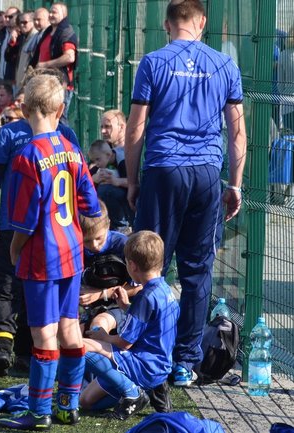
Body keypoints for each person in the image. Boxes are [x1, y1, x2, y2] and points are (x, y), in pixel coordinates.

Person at [125, 0, 247, 387]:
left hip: (164, 169)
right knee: (197, 270)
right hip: (207, 174)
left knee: (149, 263)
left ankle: (145, 349)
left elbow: (135, 128)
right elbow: (237, 132)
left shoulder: (153, 62)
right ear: (202, 22)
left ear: (167, 25)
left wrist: (132, 179)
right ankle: (185, 361)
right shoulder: (225, 64)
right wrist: (235, 184)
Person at [0, 73, 100, 430]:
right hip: (72, 253)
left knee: (43, 334)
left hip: (41, 256)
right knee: (70, 329)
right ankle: (68, 405)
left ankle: (39, 412)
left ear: (24, 108)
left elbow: (24, 221)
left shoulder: (27, 155)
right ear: (60, 109)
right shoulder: (72, 149)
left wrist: (14, 249)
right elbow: (91, 205)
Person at [0, 68, 81, 379]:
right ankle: (1, 347)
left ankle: (27, 352)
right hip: (12, 227)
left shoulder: (67, 136)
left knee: (32, 292)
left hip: (48, 234)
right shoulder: (10, 134)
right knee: (7, 286)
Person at [80, 231, 179, 420]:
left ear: (132, 266)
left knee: (80, 346)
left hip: (142, 364)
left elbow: (125, 343)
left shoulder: (145, 297)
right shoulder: (165, 290)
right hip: (160, 365)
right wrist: (126, 307)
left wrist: (103, 336)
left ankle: (132, 392)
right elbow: (152, 322)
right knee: (86, 401)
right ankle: (138, 389)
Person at [78, 202, 140, 335]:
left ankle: (109, 345)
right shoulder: (76, 250)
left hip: (120, 305)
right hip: (87, 307)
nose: (94, 245)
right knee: (72, 332)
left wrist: (101, 294)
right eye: (87, 241)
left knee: (97, 326)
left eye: (98, 238)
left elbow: (139, 287)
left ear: (108, 225)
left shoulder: (123, 245)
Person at [29, 3, 78, 122]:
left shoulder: (66, 32)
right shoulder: (48, 32)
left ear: (64, 14)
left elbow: (69, 57)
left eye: (54, 12)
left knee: (59, 119)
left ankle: (66, 136)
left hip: (60, 85)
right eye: (50, 12)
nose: (50, 15)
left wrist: (46, 65)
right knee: (47, 119)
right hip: (46, 83)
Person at [88, 139, 134, 231]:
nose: (96, 163)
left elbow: (134, 182)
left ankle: (122, 226)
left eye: (98, 159)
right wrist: (94, 179)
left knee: (106, 190)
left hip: (131, 200)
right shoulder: (103, 160)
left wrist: (117, 181)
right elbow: (87, 178)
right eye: (94, 161)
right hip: (121, 197)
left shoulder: (122, 160)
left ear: (108, 155)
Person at [12, 11, 39, 90]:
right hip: (20, 82)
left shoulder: (35, 37)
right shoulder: (24, 37)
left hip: (27, 84)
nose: (21, 25)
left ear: (33, 22)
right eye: (20, 22)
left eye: (24, 22)